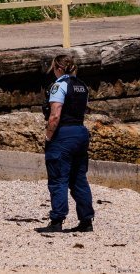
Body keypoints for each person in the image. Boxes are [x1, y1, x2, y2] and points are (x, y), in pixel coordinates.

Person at [35, 54, 95, 233]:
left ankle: (57, 221)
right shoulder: (82, 86)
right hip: (80, 132)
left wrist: (48, 136)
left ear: (58, 68)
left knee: (58, 179)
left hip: (64, 135)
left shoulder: (59, 85)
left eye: (53, 68)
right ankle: (86, 221)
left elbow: (55, 115)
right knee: (79, 179)